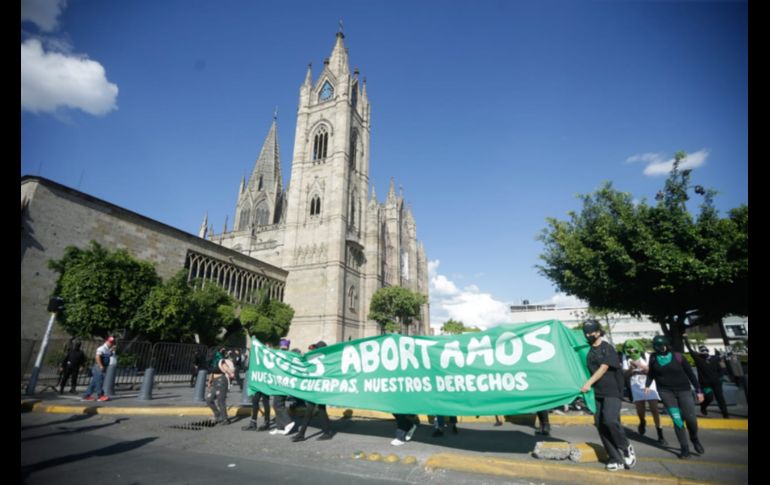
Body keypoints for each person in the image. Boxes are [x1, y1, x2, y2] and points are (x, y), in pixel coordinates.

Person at [580, 320, 636, 472]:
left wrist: (588, 383)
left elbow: (603, 368)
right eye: (585, 332)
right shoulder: (588, 351)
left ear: (598, 332)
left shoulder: (607, 348)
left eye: (590, 332)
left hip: (612, 391)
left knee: (610, 420)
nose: (587, 335)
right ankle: (615, 458)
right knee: (600, 425)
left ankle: (625, 448)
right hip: (597, 393)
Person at [645, 335, 705, 459]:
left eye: (662, 345)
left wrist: (699, 391)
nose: (660, 348)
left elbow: (691, 374)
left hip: (684, 391)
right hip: (666, 393)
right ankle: (684, 448)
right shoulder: (653, 358)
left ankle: (694, 439)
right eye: (657, 346)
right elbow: (651, 373)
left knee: (691, 419)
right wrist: (647, 385)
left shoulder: (678, 356)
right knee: (677, 420)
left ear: (667, 344)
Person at [622, 340, 667, 444]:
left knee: (654, 409)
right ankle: (642, 421)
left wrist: (641, 366)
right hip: (635, 383)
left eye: (633, 348)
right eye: (628, 349)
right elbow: (625, 374)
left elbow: (652, 370)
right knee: (640, 408)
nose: (631, 351)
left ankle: (660, 434)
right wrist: (630, 368)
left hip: (649, 383)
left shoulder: (647, 356)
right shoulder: (626, 357)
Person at [292, 341, 333, 442]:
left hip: (320, 389)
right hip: (317, 388)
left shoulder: (326, 360)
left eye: (317, 348)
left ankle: (302, 434)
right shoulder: (318, 359)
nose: (315, 350)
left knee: (310, 410)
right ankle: (327, 432)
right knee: (321, 410)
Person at [684, 337, 729, 419]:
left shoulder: (714, 359)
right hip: (705, 384)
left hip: (716, 383)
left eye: (705, 350)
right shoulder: (698, 359)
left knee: (720, 398)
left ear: (708, 351)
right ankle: (703, 406)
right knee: (709, 397)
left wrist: (720, 377)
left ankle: (725, 415)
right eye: (702, 351)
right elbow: (690, 350)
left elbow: (721, 369)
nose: (704, 352)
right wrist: (685, 338)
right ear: (700, 352)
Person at [269, 338, 296, 435]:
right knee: (278, 404)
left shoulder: (280, 355)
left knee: (278, 404)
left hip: (282, 383)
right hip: (279, 383)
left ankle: (288, 422)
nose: (282, 349)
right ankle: (280, 427)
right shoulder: (287, 355)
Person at [82, 336, 116, 402]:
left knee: (94, 382)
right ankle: (100, 395)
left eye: (112, 342)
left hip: (101, 367)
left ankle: (86, 395)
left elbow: (108, 355)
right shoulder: (102, 348)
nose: (111, 343)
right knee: (99, 382)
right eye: (110, 342)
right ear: (106, 341)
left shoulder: (107, 349)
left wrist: (112, 351)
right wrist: (101, 366)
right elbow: (97, 357)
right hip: (99, 367)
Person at [206, 356, 236, 425]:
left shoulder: (222, 361)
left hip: (222, 381)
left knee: (220, 401)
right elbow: (212, 372)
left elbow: (228, 370)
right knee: (209, 399)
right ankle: (217, 414)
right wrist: (209, 381)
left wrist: (231, 373)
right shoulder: (213, 363)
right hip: (215, 382)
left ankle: (225, 419)